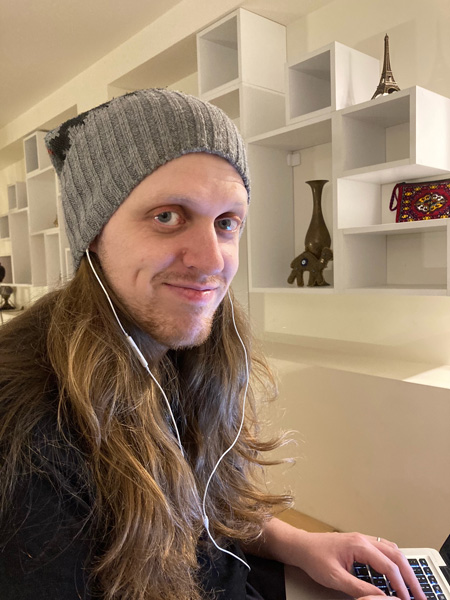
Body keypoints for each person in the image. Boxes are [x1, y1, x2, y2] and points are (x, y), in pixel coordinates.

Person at [0, 89, 425, 600]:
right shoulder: (25, 427)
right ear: (93, 231)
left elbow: (196, 508)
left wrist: (297, 543)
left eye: (227, 223)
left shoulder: (177, 346)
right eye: (167, 216)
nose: (211, 260)